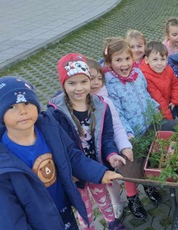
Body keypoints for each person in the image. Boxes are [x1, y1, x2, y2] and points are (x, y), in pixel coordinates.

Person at [0, 76, 123, 230]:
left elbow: (71, 155)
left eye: (27, 103)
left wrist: (100, 173)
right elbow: (7, 213)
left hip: (63, 209)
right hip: (37, 222)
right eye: (12, 106)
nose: (23, 111)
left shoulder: (49, 127)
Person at [48, 53, 127, 230]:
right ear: (63, 84)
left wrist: (112, 154)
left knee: (103, 197)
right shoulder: (55, 114)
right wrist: (67, 170)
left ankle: (111, 221)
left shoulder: (101, 106)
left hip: (97, 167)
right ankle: (87, 227)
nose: (79, 88)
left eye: (84, 81)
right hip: (75, 174)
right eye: (72, 83)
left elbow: (107, 137)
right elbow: (60, 148)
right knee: (83, 206)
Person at [102, 38, 162, 219]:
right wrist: (128, 135)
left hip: (146, 126)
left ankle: (148, 185)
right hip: (128, 136)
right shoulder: (111, 85)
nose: (124, 64)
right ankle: (132, 198)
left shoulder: (138, 74)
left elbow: (144, 95)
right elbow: (117, 114)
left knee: (147, 159)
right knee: (131, 169)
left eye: (127, 59)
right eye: (118, 60)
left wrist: (155, 108)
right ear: (109, 63)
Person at [87, 58, 136, 220]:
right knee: (95, 183)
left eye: (99, 78)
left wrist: (124, 146)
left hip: (105, 150)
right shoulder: (75, 105)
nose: (96, 82)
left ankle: (116, 201)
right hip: (87, 153)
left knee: (110, 179)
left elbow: (117, 126)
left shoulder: (106, 102)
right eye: (91, 78)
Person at [140, 41, 178, 120]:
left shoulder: (168, 69)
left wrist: (174, 100)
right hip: (157, 112)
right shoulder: (146, 76)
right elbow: (158, 100)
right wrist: (169, 120)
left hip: (169, 104)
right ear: (146, 60)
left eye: (162, 59)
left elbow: (175, 84)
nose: (159, 63)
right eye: (155, 59)